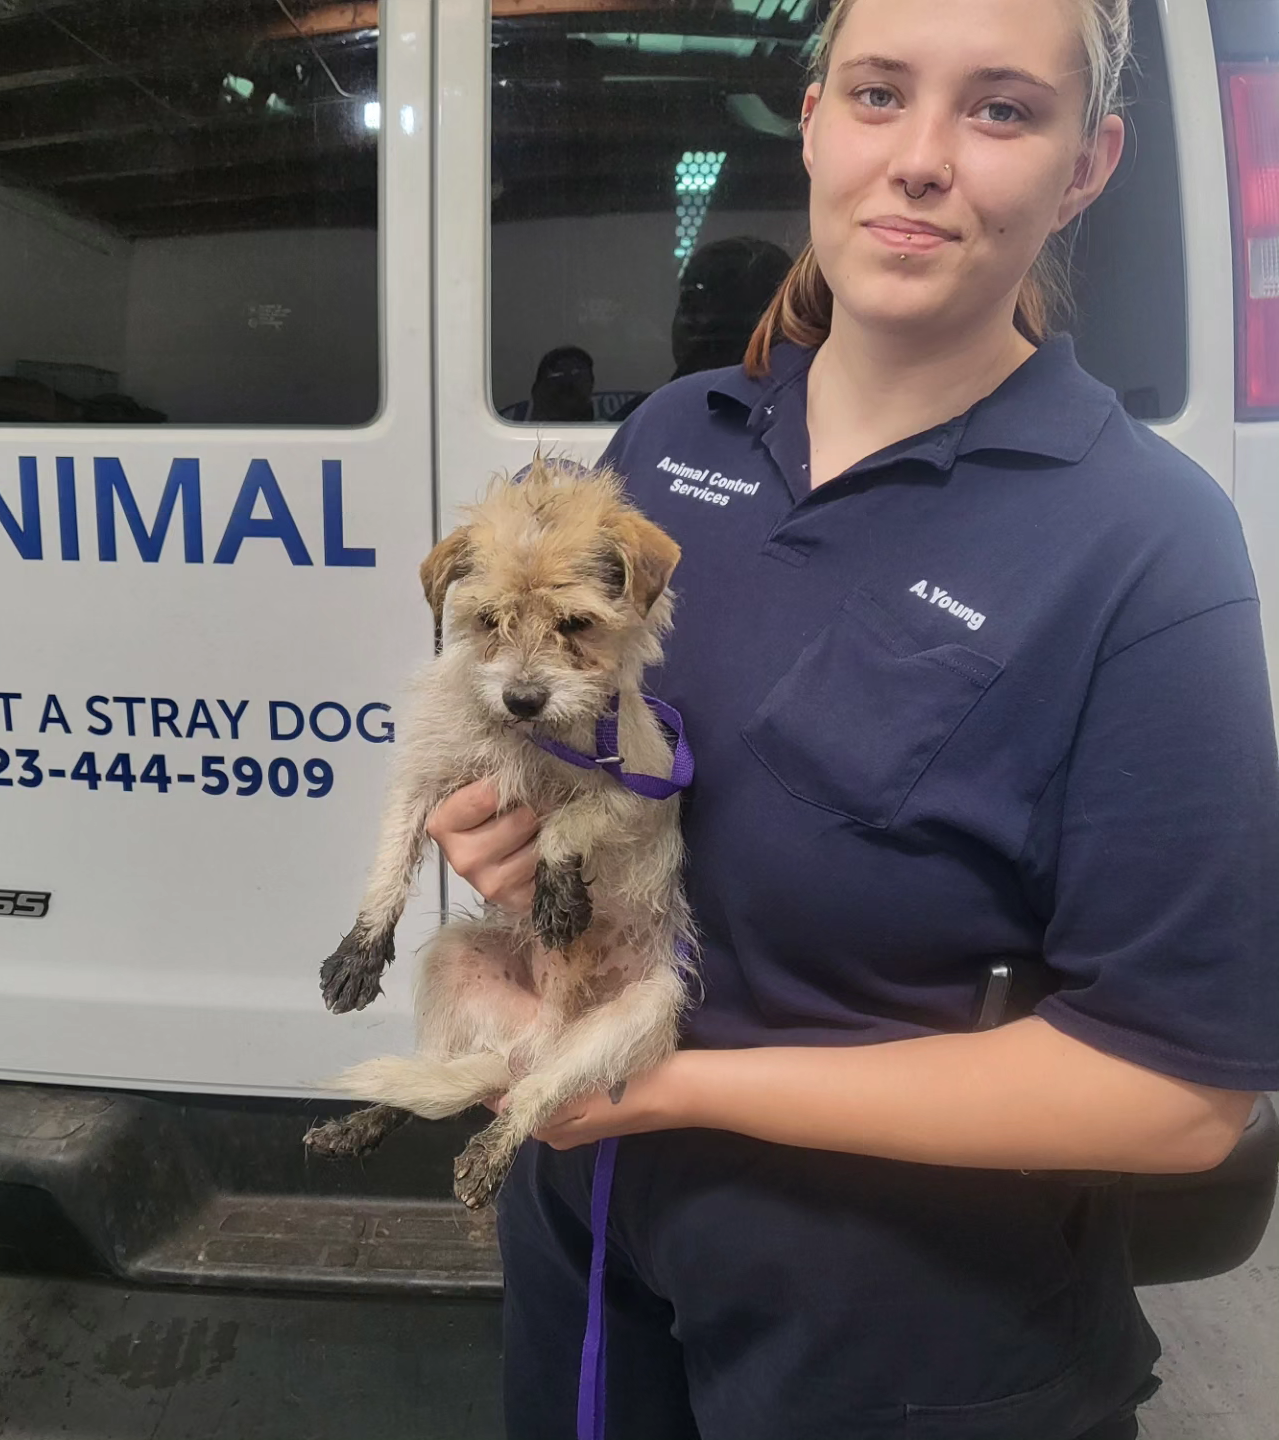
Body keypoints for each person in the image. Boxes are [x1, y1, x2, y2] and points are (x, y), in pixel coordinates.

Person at [427, 0, 1279, 1436]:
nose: (924, 158)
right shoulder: (672, 445)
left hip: (904, 1326)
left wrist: (674, 1091)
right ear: (814, 119)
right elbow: (591, 763)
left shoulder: (1142, 541)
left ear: (1088, 165)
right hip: (592, 1239)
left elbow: (1172, 1090)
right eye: (881, 93)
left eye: (1003, 110)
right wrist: (513, 844)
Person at [613, 236, 795, 421]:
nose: (698, 322)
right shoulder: (644, 421)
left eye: (725, 309)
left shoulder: (644, 420)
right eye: (689, 303)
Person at [525, 345, 597, 423]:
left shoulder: (605, 431)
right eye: (558, 375)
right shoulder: (517, 432)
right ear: (537, 391)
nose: (568, 381)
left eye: (578, 375)